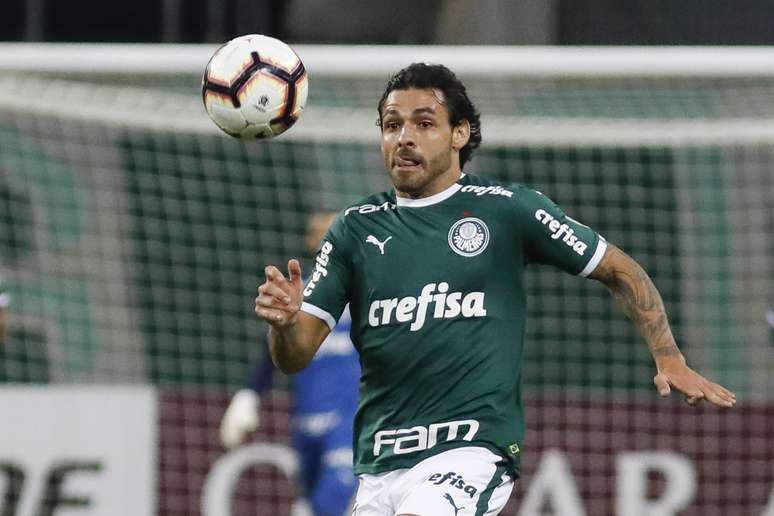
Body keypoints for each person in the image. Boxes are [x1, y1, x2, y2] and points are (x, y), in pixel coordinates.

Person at [254, 63, 737, 516]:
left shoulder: (506, 210)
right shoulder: (353, 230)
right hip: (380, 465)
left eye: (424, 123)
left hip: (468, 453)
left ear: (460, 134)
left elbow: (619, 269)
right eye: (391, 124)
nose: (404, 137)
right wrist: (283, 324)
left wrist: (668, 356)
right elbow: (294, 356)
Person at [221, 212, 360, 516]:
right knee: (308, 505)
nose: (326, 239)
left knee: (331, 502)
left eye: (333, 232)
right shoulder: (302, 294)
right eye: (318, 233)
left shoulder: (369, 290)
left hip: (351, 421)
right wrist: (249, 395)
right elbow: (273, 346)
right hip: (306, 421)